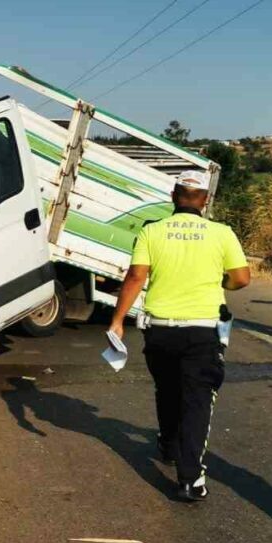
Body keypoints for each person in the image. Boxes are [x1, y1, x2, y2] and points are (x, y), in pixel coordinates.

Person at [108, 170, 251, 502]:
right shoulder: (222, 233)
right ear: (204, 200)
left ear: (174, 196)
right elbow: (241, 278)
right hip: (203, 330)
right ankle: (190, 479)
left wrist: (117, 320)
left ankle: (169, 444)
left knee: (168, 389)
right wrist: (222, 285)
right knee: (197, 401)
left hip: (159, 331)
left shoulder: (151, 232)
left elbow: (135, 277)